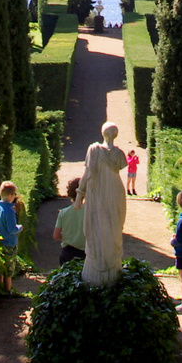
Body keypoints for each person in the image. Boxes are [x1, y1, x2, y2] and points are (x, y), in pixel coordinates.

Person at [79, 122, 128, 285]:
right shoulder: (119, 154)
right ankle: (110, 272)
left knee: (98, 227)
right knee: (112, 229)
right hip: (114, 192)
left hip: (99, 192)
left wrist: (79, 195)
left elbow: (87, 174)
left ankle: (98, 273)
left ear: (102, 133)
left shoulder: (93, 150)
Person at [0, 181, 24, 292]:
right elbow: (12, 229)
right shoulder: (10, 211)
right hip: (10, 243)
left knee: (1, 268)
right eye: (14, 194)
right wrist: (20, 228)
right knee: (9, 270)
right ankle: (8, 290)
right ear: (11, 195)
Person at [52, 177, 87, 266]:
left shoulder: (63, 212)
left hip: (68, 252)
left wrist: (67, 236)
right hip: (86, 252)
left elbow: (56, 236)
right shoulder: (91, 212)